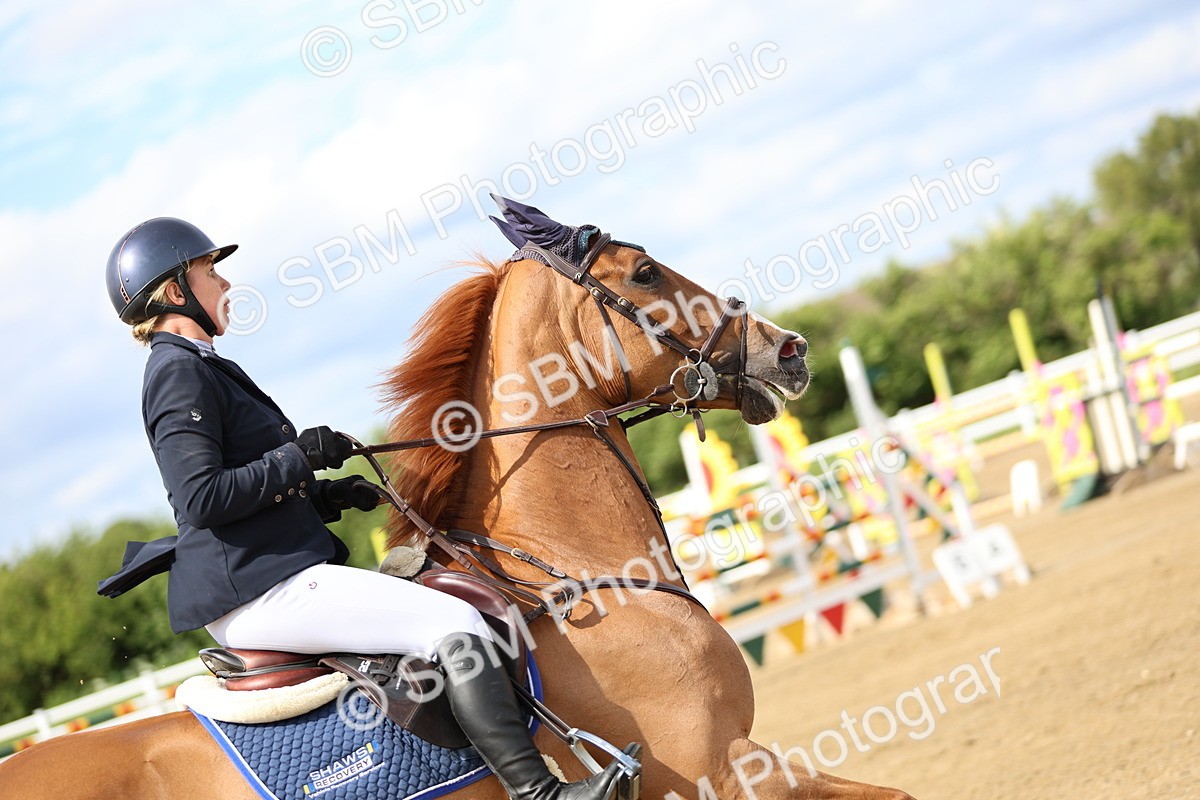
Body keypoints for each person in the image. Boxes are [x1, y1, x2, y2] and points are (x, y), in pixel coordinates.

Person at [100, 217, 633, 800]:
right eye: (209, 272)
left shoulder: (199, 364)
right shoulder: (177, 371)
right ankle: (539, 793)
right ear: (176, 291)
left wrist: (325, 497)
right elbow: (201, 498)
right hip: (256, 591)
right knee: (453, 622)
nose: (225, 283)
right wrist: (299, 459)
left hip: (265, 573)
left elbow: (243, 492)